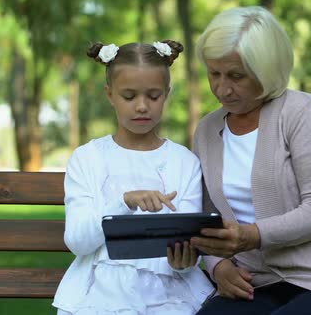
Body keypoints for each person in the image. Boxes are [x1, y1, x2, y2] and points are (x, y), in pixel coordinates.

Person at [189, 6, 311, 315]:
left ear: (266, 70)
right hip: (258, 281)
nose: (222, 88)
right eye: (214, 73)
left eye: (236, 76)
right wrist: (218, 267)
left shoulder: (303, 113)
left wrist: (251, 236)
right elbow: (208, 215)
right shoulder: (207, 130)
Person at [52, 40, 214, 315]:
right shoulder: (88, 158)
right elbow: (78, 242)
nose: (142, 106)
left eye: (153, 96)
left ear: (167, 94)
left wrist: (185, 259)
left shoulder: (184, 162)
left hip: (169, 293)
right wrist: (123, 202)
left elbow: (188, 242)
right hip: (101, 293)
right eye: (129, 96)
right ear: (110, 94)